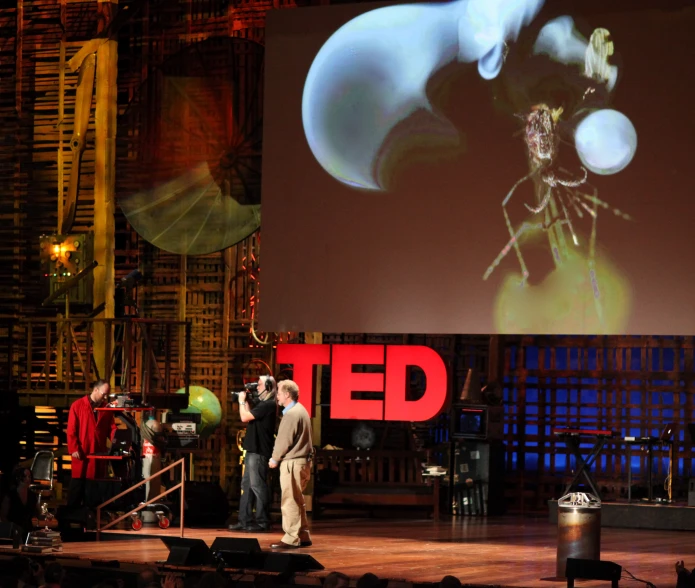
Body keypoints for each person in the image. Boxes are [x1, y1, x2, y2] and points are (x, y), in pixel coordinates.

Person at [228, 375, 277, 532]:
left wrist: (242, 401)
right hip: (252, 450)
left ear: (268, 387)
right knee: (247, 486)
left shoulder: (269, 404)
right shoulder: (262, 404)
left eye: (260, 384)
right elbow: (250, 416)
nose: (257, 387)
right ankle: (244, 521)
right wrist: (247, 401)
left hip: (259, 451)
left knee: (257, 486)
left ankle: (263, 521)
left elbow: (244, 417)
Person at [268, 379, 313, 549]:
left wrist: (274, 459)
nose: (277, 396)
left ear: (287, 394)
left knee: (289, 501)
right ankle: (302, 534)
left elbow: (283, 440)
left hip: (293, 463)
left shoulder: (292, 414)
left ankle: (291, 538)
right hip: (302, 462)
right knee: (298, 499)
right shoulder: (301, 410)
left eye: (279, 393)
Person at [66, 379, 118, 508]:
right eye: (103, 394)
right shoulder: (77, 406)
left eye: (107, 395)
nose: (105, 397)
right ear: (95, 390)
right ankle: (71, 518)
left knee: (94, 491)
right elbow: (71, 429)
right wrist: (74, 448)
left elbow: (112, 429)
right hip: (82, 452)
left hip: (97, 452)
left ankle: (92, 520)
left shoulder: (105, 408)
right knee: (77, 489)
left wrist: (118, 443)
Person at [0, 467, 39, 535]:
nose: (28, 479)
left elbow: (36, 513)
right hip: (12, 533)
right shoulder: (10, 495)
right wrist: (12, 528)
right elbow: (3, 516)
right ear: (18, 478)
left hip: (28, 532)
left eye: (29, 476)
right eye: (24, 476)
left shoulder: (32, 496)